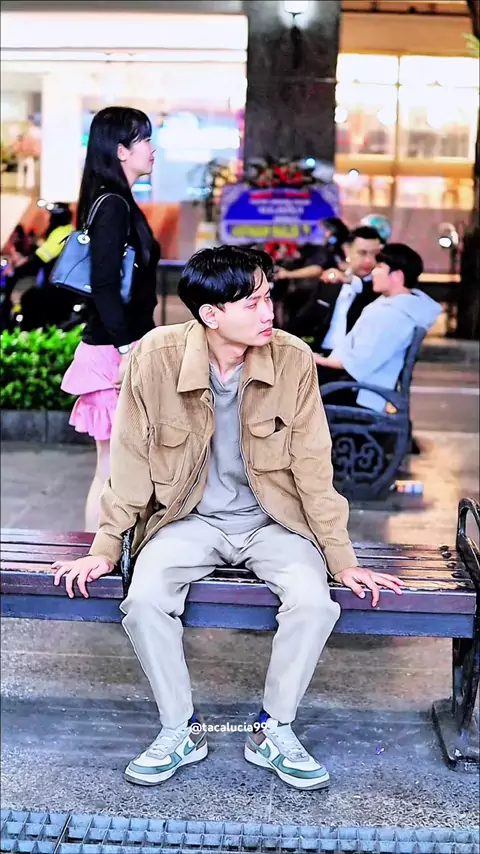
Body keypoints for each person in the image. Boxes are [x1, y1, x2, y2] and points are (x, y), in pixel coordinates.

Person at [52, 245, 403, 792]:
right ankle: (180, 729)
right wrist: (104, 547)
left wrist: (343, 559)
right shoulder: (155, 357)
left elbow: (314, 467)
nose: (269, 312)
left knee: (314, 603)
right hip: (187, 518)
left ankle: (272, 730)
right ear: (211, 314)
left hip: (273, 520)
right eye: (253, 302)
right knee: (144, 600)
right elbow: (130, 462)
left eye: (268, 297)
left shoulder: (292, 358)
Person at [60, 106, 160, 531]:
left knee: (121, 468)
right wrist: (126, 349)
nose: (152, 149)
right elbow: (104, 285)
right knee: (112, 469)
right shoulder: (114, 205)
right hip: (113, 352)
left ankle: (108, 553)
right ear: (121, 150)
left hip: (120, 347)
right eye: (145, 140)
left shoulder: (116, 200)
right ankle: (95, 554)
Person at [315, 244, 442, 411]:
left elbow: (358, 364)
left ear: (397, 276)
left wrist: (318, 360)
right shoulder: (398, 307)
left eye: (380, 267)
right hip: (355, 386)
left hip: (358, 393)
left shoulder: (395, 314)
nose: (373, 272)